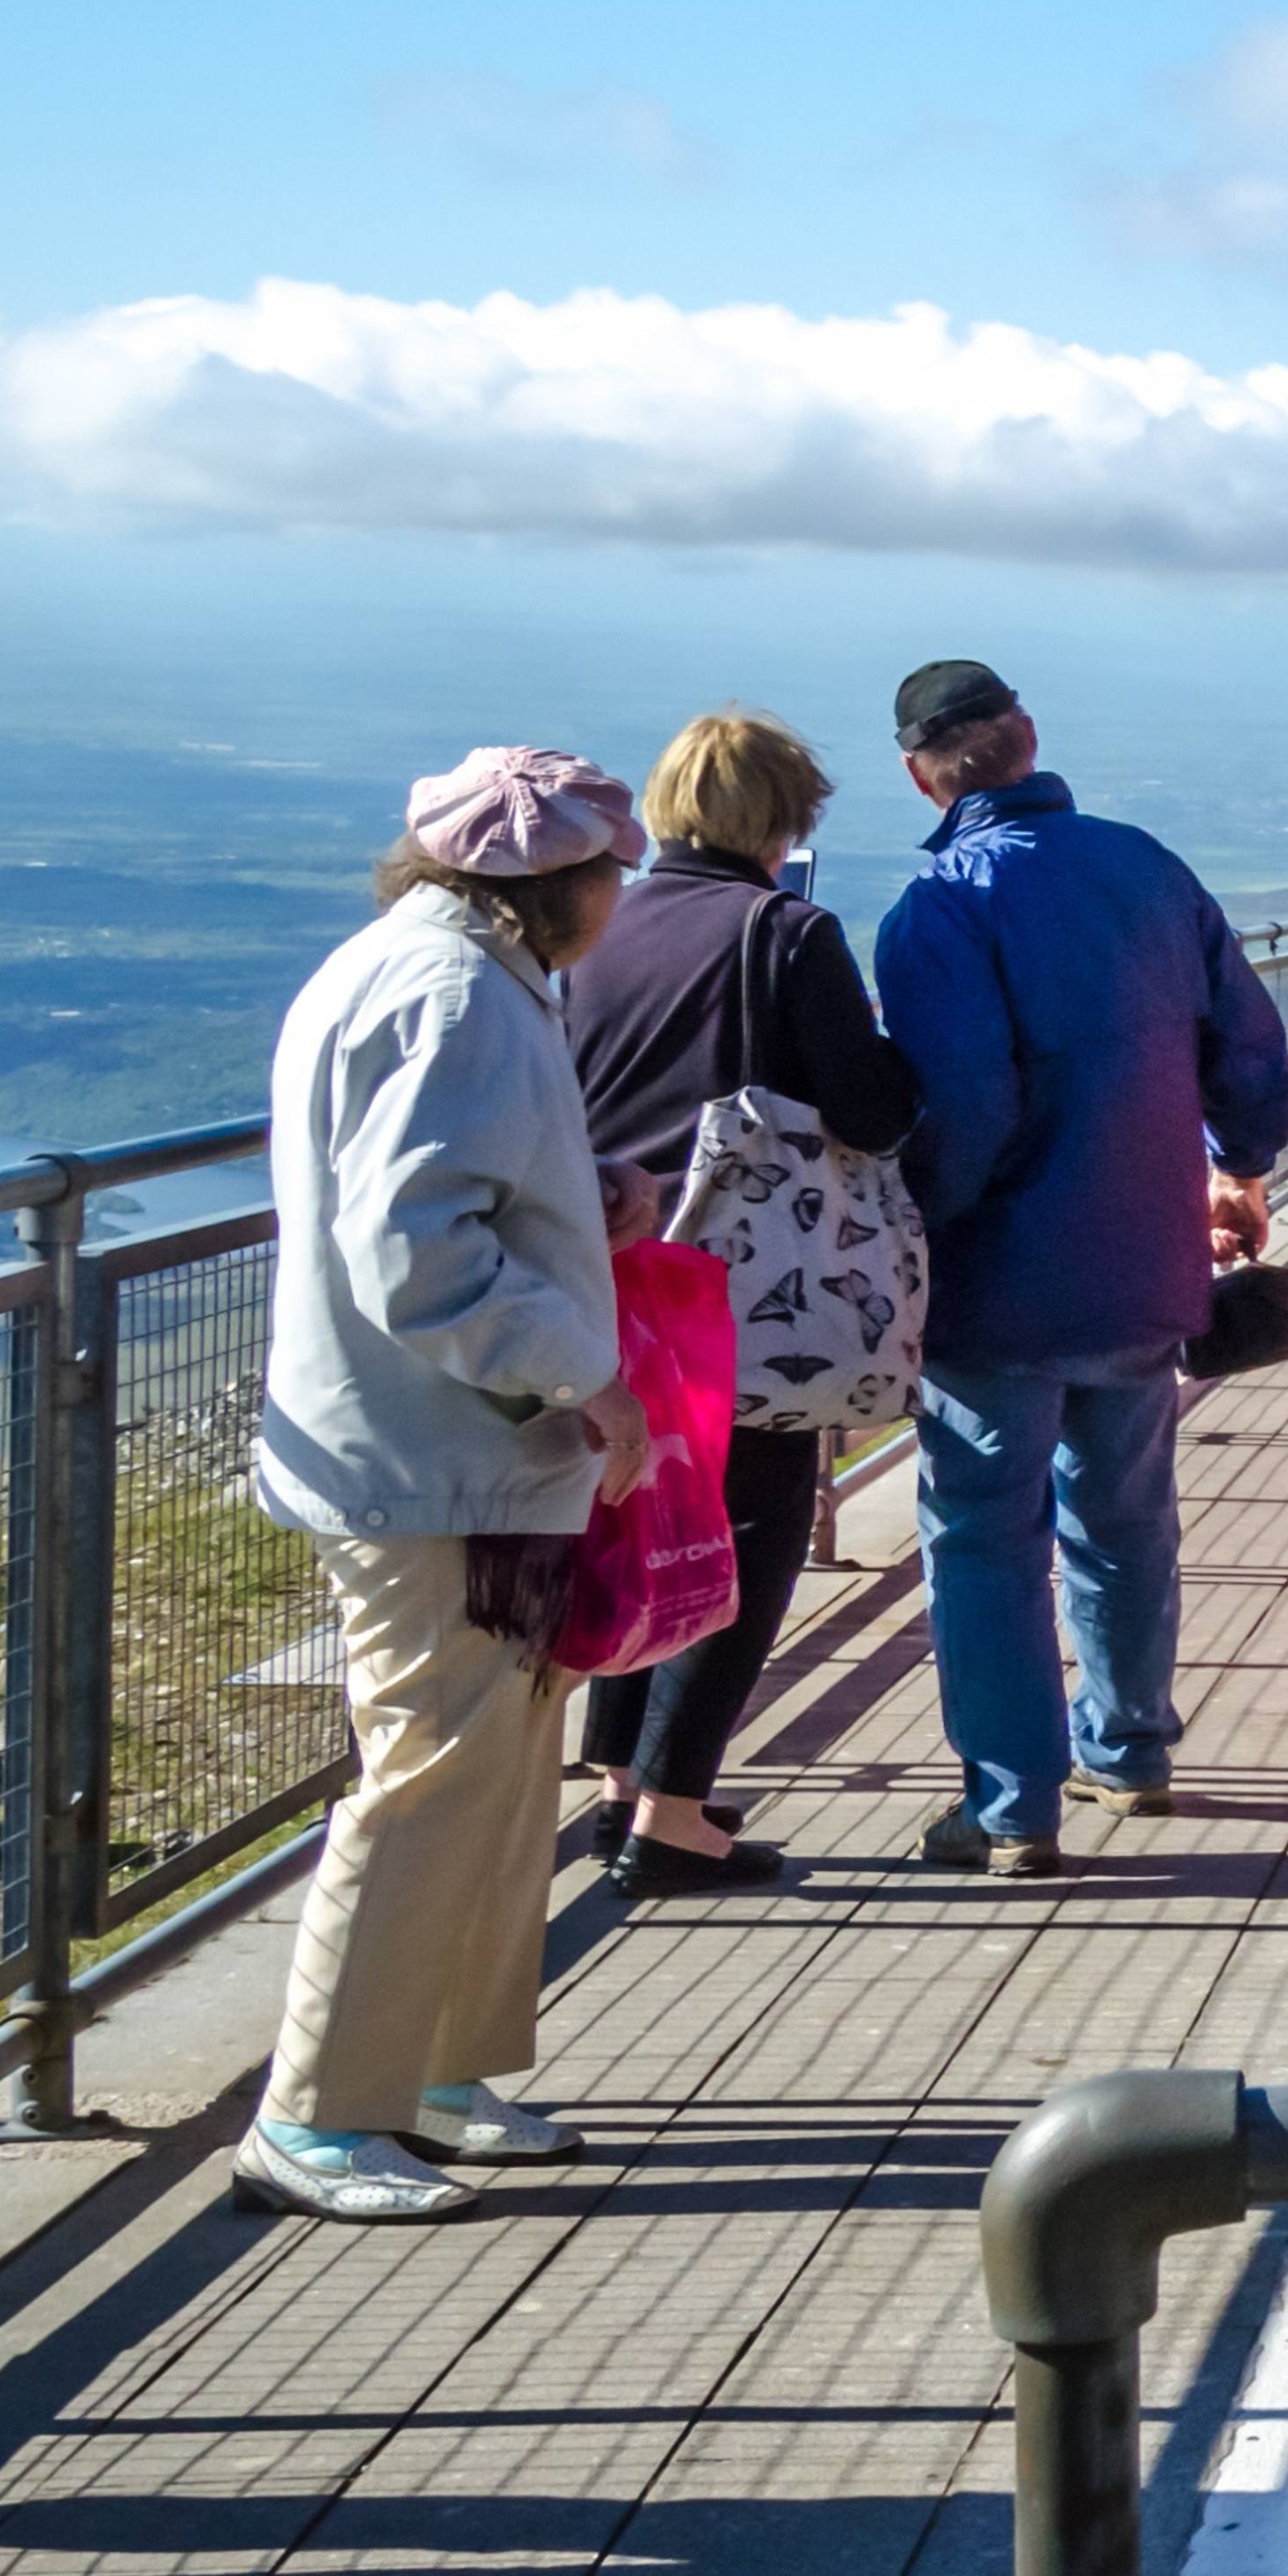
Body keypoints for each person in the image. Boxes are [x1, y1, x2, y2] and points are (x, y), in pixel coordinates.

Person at [242, 749, 663, 2221]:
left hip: (440, 1446)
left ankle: (436, 2072)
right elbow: (420, 1251)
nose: (621, 897)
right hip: (442, 1456)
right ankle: (318, 2110)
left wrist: (580, 1193)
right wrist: (581, 1369)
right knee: (432, 1770)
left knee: (497, 1767)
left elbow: (442, 1200)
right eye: (610, 872)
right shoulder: (461, 997)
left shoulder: (424, 972)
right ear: (557, 883)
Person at [873, 662, 1288, 1879]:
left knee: (983, 1538)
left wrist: (925, 1232)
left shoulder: (939, 908)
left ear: (922, 773)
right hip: (1143, 1266)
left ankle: (1012, 1805)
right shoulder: (1146, 868)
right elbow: (1247, 1047)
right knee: (1123, 1519)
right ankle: (1128, 1748)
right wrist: (1241, 1159)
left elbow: (960, 1108)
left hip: (1000, 1281)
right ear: (1028, 740)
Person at [561, 711, 921, 1892]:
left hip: (603, 1262)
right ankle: (675, 1813)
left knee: (638, 1507)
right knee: (749, 1526)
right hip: (731, 1281)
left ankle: (619, 1782)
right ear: (783, 818)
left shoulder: (593, 924)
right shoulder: (788, 929)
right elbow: (868, 1108)